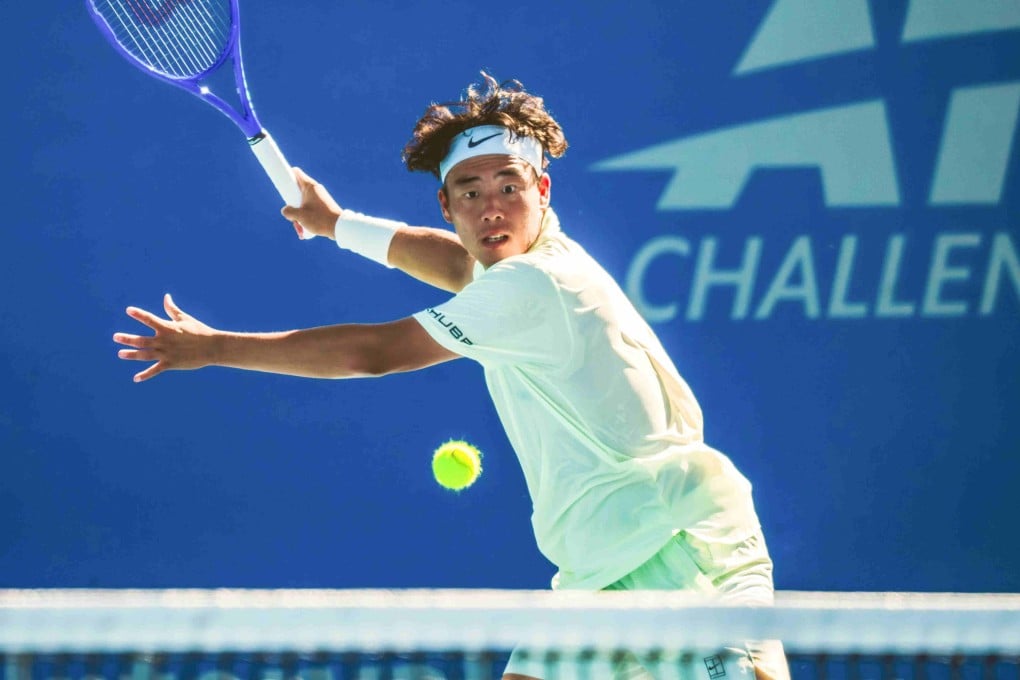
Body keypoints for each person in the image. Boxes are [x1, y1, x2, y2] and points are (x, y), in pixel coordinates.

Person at [114, 73, 789, 680]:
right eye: (471, 192)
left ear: (541, 190)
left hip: (677, 548)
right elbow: (449, 261)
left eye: (509, 188)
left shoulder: (536, 287)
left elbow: (372, 352)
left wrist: (215, 348)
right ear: (448, 204)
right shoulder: (516, 260)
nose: (491, 207)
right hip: (601, 564)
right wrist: (336, 223)